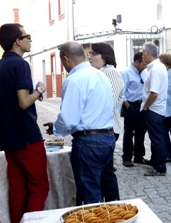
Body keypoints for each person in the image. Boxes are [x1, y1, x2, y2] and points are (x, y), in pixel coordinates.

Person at [0, 23, 49, 223]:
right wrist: (39, 89)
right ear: (17, 40)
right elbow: (23, 102)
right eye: (28, 36)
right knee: (39, 187)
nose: (30, 40)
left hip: (7, 138)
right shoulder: (20, 65)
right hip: (26, 137)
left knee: (17, 189)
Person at [44, 41, 119, 205]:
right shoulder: (101, 75)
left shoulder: (75, 79)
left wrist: (57, 128)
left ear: (65, 59)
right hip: (107, 136)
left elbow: (69, 118)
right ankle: (111, 222)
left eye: (62, 62)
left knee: (90, 194)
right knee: (106, 186)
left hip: (88, 142)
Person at [141, 42, 169, 176]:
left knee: (157, 139)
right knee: (156, 138)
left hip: (154, 110)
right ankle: (156, 163)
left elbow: (154, 93)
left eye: (142, 53)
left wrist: (146, 107)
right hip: (155, 109)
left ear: (147, 53)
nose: (142, 56)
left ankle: (160, 168)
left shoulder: (156, 68)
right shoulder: (156, 67)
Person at [88, 42, 124, 142]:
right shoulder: (99, 73)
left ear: (105, 56)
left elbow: (108, 103)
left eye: (93, 54)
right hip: (99, 129)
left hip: (107, 130)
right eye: (89, 54)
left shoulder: (111, 73)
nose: (89, 57)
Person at [121, 52, 148, 167]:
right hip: (131, 105)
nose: (145, 66)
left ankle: (139, 156)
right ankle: (127, 157)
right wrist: (128, 106)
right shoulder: (126, 73)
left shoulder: (143, 73)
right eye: (143, 64)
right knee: (129, 132)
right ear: (136, 62)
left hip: (142, 105)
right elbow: (122, 92)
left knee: (141, 132)